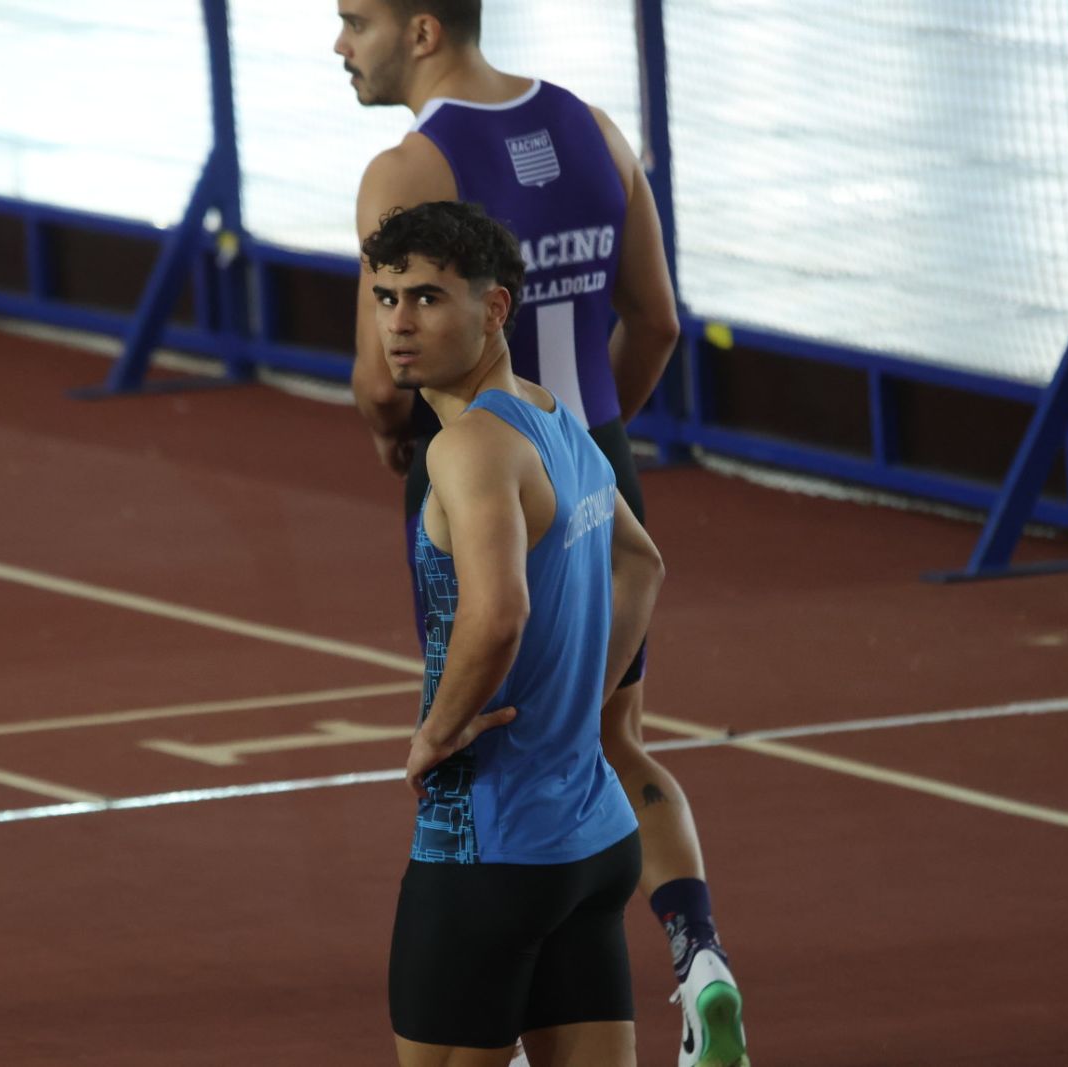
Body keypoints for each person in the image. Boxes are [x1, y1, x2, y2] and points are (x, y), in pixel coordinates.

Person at [335, 4, 750, 1067]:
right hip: (588, 455)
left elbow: (381, 381)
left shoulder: (407, 166)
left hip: (481, 460)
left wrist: (405, 445)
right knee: (608, 742)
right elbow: (652, 319)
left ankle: (490, 1002)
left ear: (421, 28)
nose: (341, 45)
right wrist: (592, 447)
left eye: (353, 20)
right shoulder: (594, 130)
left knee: (476, 741)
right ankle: (697, 954)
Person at [369, 199, 659, 1067]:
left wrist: (437, 731)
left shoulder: (470, 450)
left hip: (488, 849)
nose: (399, 324)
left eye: (426, 298)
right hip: (594, 839)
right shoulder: (559, 425)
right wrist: (568, 708)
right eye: (385, 298)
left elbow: (497, 614)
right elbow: (641, 565)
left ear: (494, 310)